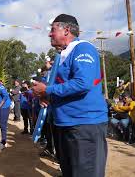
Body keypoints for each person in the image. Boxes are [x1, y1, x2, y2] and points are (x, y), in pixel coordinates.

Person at [32, 14, 108, 177]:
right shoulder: (61, 56)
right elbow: (63, 86)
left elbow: (83, 83)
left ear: (66, 30)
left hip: (84, 125)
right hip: (65, 124)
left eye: (52, 29)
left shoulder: (83, 48)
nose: (49, 34)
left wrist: (47, 91)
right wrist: (47, 98)